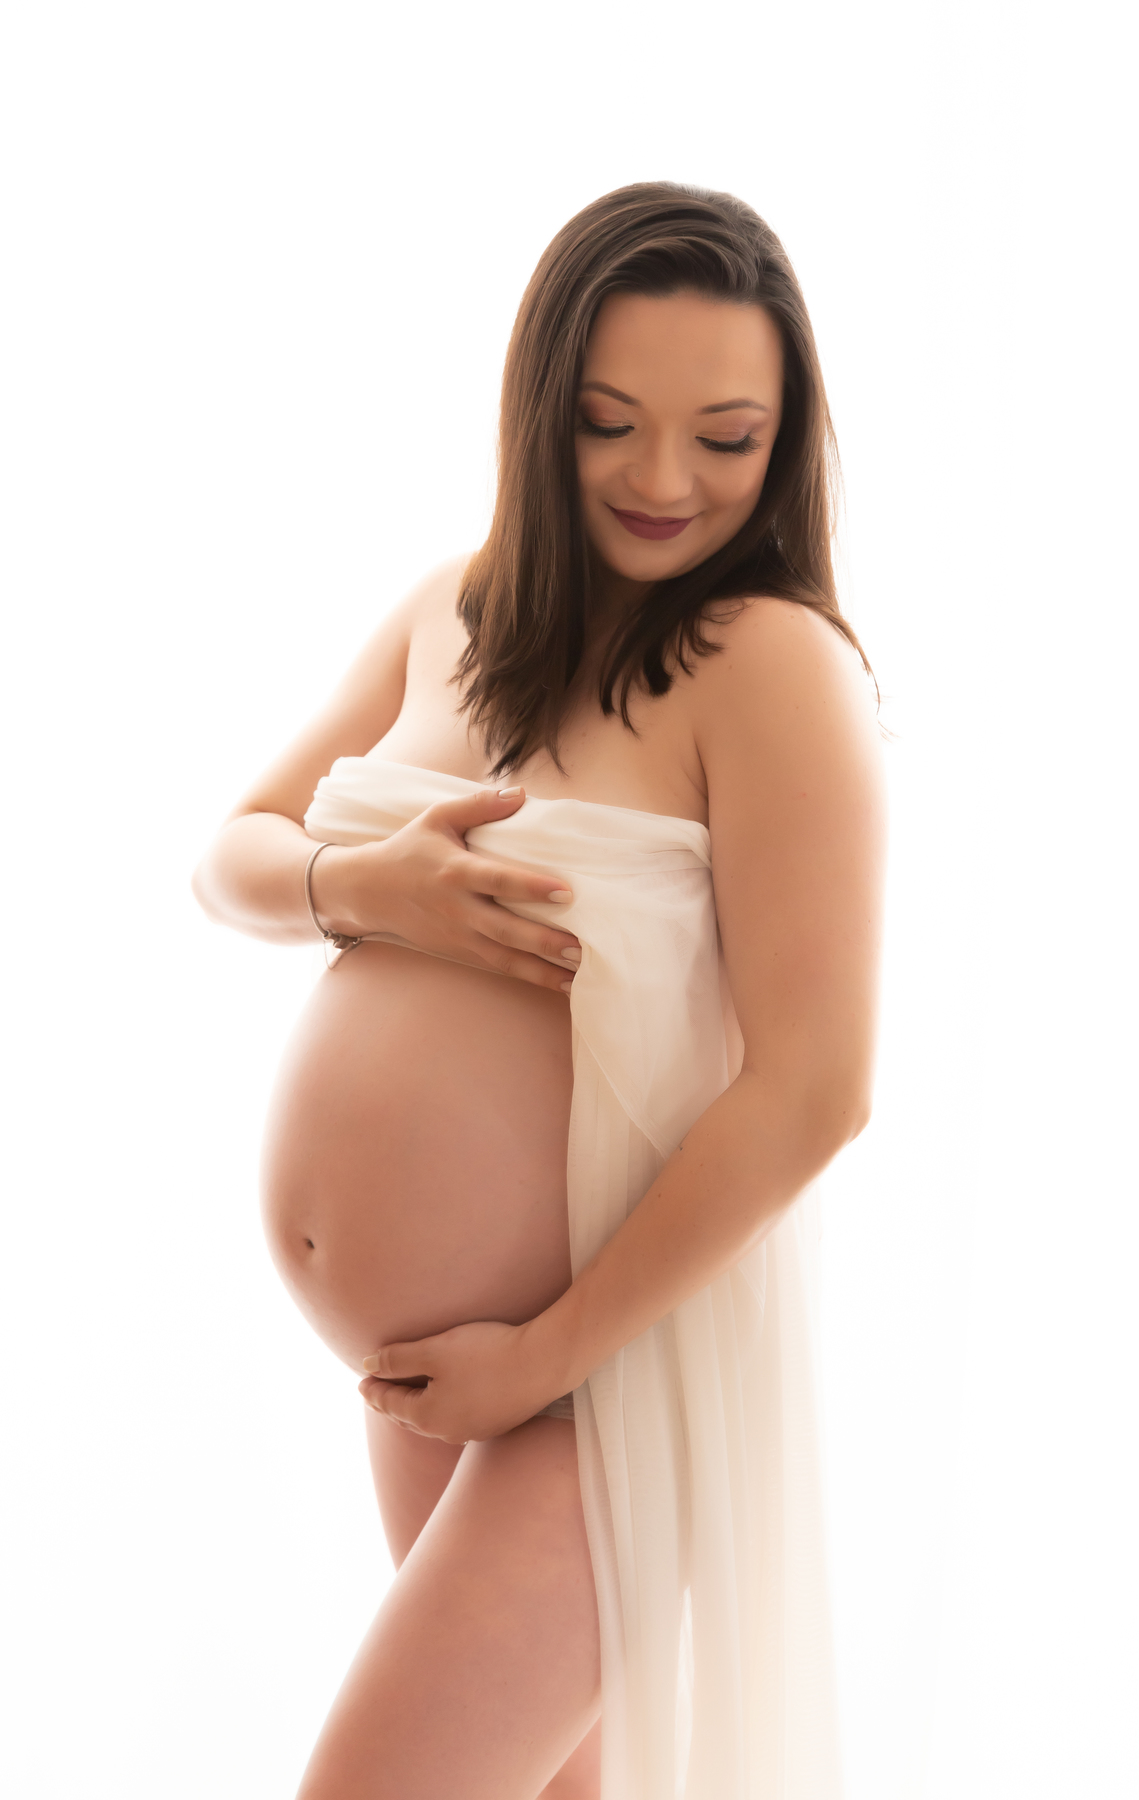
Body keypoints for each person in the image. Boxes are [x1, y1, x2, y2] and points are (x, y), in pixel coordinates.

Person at [192, 181, 885, 1800]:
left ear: (787, 439)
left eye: (727, 437)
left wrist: (550, 1355)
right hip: (445, 1375)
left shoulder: (768, 662)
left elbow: (816, 1088)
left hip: (594, 1380)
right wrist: (357, 887)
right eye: (609, 422)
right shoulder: (458, 607)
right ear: (540, 404)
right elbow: (231, 853)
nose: (664, 480)